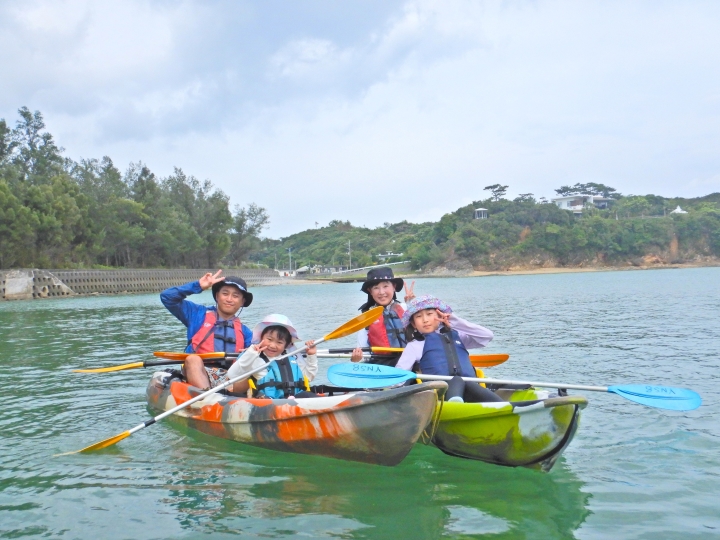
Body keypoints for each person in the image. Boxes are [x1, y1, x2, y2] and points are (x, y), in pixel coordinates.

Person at [396, 295, 503, 403]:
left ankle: (504, 406)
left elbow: (487, 336)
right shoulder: (415, 346)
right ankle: (455, 404)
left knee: (468, 383)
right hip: (438, 394)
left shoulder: (457, 337)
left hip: (468, 388)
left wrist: (454, 321)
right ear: (413, 324)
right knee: (457, 380)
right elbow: (400, 374)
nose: (425, 320)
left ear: (440, 316)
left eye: (429, 314)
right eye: (419, 316)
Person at [160, 270, 253, 391]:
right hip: (199, 372)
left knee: (251, 367)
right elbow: (167, 297)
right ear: (217, 296)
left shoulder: (245, 332)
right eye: (225, 293)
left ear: (242, 302)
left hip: (231, 378)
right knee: (192, 359)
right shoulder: (197, 314)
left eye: (235, 296)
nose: (229, 299)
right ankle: (207, 398)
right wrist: (198, 286)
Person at [227, 314, 318, 399]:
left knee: (307, 395)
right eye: (269, 339)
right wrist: (250, 354)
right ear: (261, 338)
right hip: (269, 405)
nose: (273, 345)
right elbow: (232, 375)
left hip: (296, 403)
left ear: (286, 345)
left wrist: (311, 355)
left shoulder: (292, 357)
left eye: (279, 342)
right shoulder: (255, 358)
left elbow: (309, 377)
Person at [350, 267, 415, 363]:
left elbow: (425, 332)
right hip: (381, 367)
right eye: (376, 288)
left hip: (409, 364)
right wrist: (356, 359)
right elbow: (364, 355)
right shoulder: (366, 317)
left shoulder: (406, 308)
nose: (381, 292)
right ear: (370, 291)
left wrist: (413, 304)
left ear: (394, 287)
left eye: (385, 286)